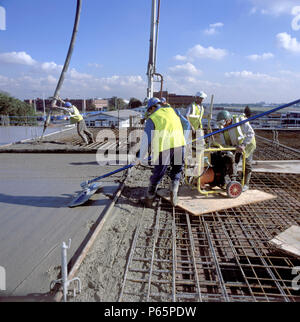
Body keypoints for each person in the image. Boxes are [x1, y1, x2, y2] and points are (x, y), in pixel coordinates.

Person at [136, 97, 189, 207]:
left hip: (164, 148)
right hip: (180, 145)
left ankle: (149, 198)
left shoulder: (153, 118)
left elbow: (146, 140)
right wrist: (183, 138)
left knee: (158, 173)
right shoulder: (173, 111)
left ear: (153, 107)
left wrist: (139, 157)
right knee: (177, 171)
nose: (149, 112)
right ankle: (174, 195)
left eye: (149, 110)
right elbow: (187, 124)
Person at [216, 110, 256, 192]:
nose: (224, 125)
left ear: (228, 119)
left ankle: (245, 184)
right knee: (232, 162)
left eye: (225, 123)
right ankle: (231, 181)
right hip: (235, 146)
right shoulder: (222, 126)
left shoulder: (240, 120)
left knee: (247, 164)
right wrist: (227, 150)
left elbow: (251, 133)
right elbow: (223, 142)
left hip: (247, 145)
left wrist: (244, 145)